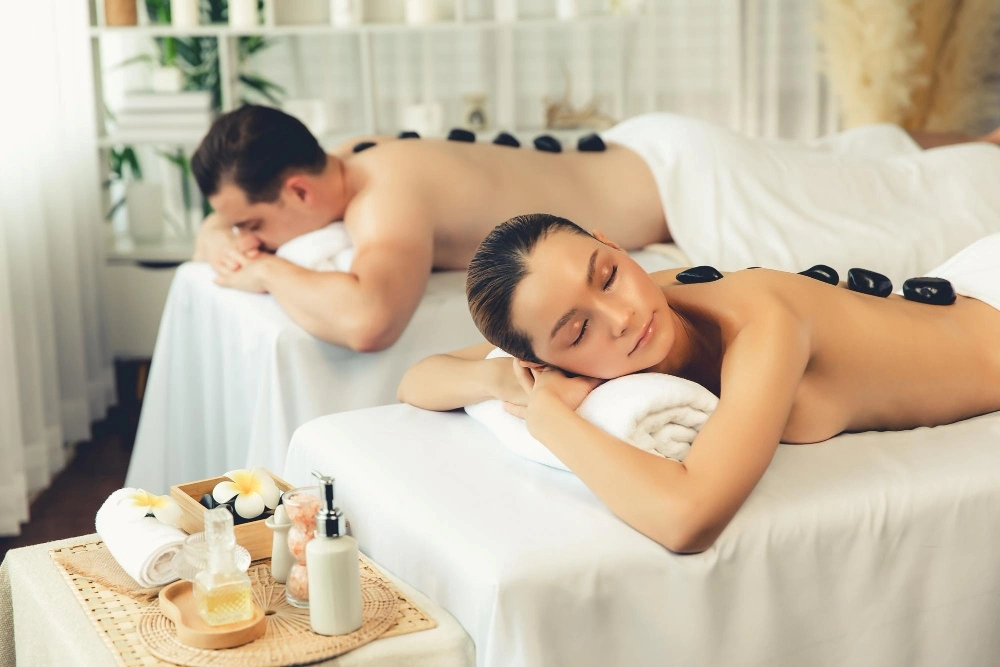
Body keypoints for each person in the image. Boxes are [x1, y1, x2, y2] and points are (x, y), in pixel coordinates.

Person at [397, 214, 1000, 554]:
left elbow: (687, 518)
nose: (622, 316)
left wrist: (550, 418)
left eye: (608, 276)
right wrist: (501, 376)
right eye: (578, 331)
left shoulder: (762, 319)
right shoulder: (562, 343)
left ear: (614, 247)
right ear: (546, 358)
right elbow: (418, 379)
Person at [191, 104, 1000, 351]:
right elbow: (219, 221)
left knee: (897, 209)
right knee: (857, 170)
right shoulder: (349, 153)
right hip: (655, 148)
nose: (252, 239)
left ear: (298, 189)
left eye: (257, 225)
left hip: (692, 191)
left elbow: (369, 320)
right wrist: (218, 239)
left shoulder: (384, 202)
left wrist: (265, 272)